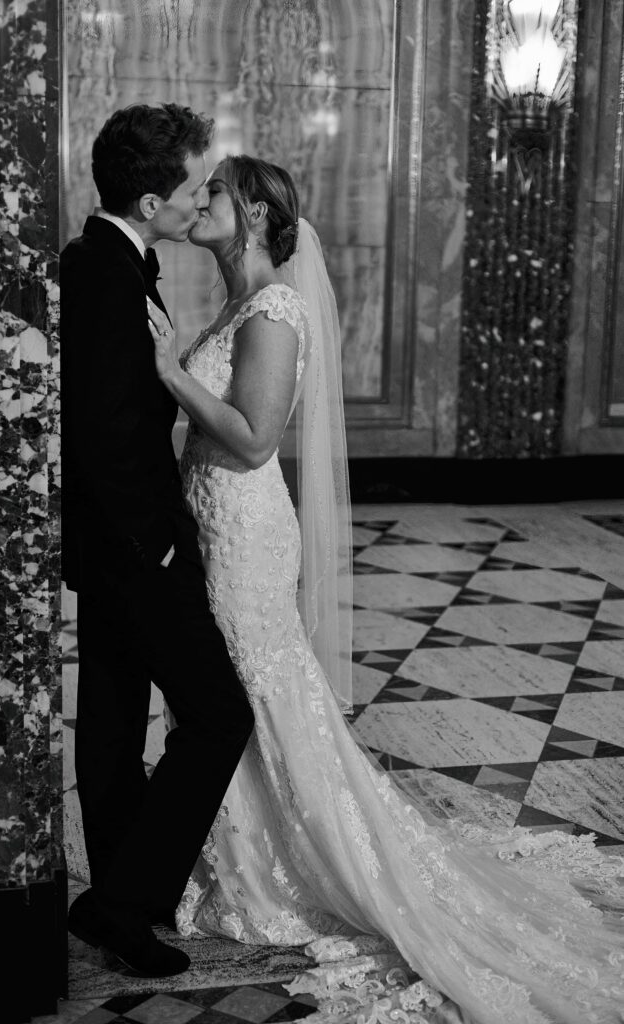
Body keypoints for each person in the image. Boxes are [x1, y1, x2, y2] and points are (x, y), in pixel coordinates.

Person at [146, 154, 624, 1023]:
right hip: (212, 524)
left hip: (246, 531)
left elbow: (254, 442)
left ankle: (302, 857)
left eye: (214, 189)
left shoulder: (275, 310)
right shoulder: (234, 302)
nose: (198, 200)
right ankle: (225, 850)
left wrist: (173, 374)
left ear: (252, 214)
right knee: (222, 691)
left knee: (257, 686)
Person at [60, 105, 254, 977]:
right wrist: (158, 548)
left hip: (110, 549)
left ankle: (119, 911)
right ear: (147, 201)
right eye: (188, 186)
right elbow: (103, 435)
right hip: (138, 549)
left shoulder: (105, 258)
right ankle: (124, 900)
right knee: (219, 716)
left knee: (107, 720)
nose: (198, 197)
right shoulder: (107, 274)